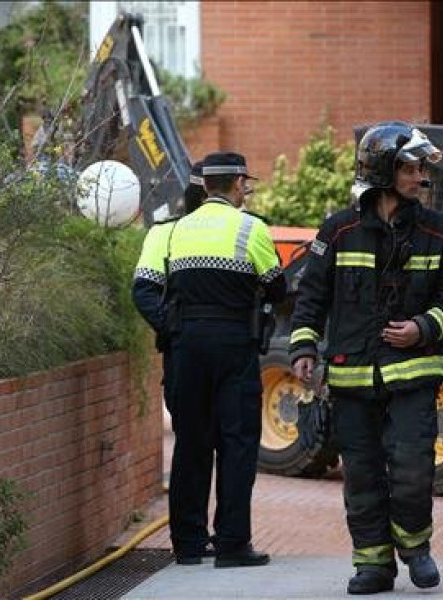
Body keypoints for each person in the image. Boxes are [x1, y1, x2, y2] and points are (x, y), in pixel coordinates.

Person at [289, 122, 443, 595]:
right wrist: (305, 346)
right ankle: (373, 564)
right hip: (352, 376)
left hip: (415, 374)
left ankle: (416, 548)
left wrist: (423, 328)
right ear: (385, 171)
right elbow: (311, 294)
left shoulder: (438, 230)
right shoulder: (338, 229)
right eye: (410, 168)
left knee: (412, 467)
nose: (419, 176)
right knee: (362, 474)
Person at [164, 151, 287, 567]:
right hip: (234, 343)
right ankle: (232, 544)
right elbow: (277, 286)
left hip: (186, 346)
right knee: (236, 444)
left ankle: (187, 545)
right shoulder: (250, 228)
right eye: (244, 184)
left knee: (191, 444)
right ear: (237, 184)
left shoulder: (176, 230)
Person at [132, 160, 207, 415]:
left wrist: (173, 329)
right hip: (207, 351)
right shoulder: (166, 233)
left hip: (189, 350)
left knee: (191, 441)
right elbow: (144, 289)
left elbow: (143, 291)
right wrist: (172, 328)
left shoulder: (165, 232)